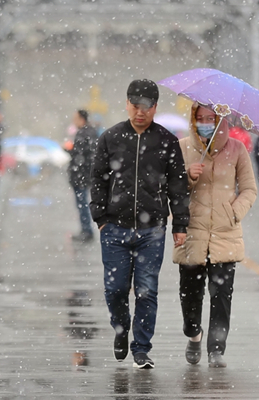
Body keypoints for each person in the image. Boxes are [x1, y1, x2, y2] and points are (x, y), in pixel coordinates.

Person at [90, 79, 190, 369]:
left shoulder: (166, 141)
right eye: (135, 106)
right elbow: (97, 178)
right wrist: (100, 218)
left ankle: (142, 348)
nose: (139, 112)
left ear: (155, 108)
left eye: (146, 107)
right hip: (115, 228)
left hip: (152, 229)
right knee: (116, 289)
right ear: (127, 104)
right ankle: (121, 329)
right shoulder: (111, 138)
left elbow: (177, 185)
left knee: (147, 289)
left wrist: (180, 224)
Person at [173, 102, 257, 368]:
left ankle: (216, 350)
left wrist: (233, 213)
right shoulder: (183, 148)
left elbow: (249, 189)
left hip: (225, 234)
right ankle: (193, 335)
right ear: (194, 120)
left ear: (222, 120)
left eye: (212, 117)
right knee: (190, 294)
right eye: (201, 118)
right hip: (192, 233)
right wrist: (187, 177)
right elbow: (170, 189)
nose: (206, 122)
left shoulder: (237, 150)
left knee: (221, 296)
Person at [66, 109, 97, 242]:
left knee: (82, 204)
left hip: (80, 176)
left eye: (76, 118)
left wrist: (69, 149)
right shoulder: (90, 133)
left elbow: (80, 155)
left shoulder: (84, 133)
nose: (74, 121)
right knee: (82, 203)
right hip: (84, 175)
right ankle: (86, 230)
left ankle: (86, 231)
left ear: (82, 119)